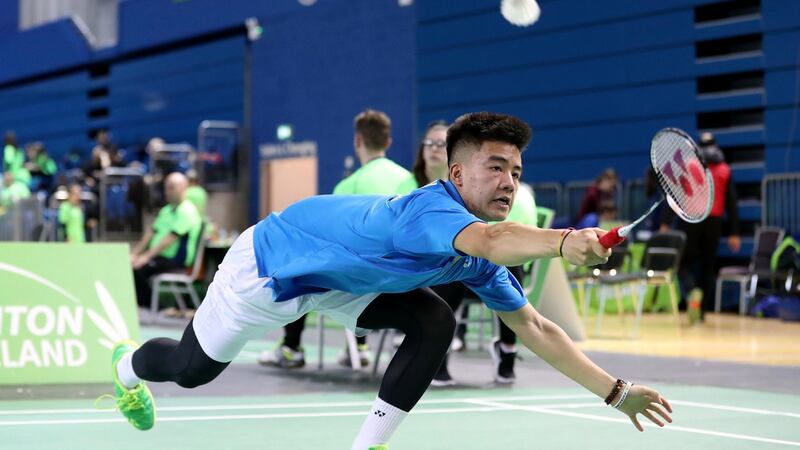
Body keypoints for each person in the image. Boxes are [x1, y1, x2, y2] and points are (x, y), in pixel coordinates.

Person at [106, 112, 672, 449]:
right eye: (495, 166)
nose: (508, 180)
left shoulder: (478, 247)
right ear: (456, 173)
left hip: (341, 280)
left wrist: (616, 393)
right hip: (271, 264)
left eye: (516, 172)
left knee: (433, 317)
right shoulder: (432, 214)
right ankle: (127, 366)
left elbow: (534, 325)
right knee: (192, 370)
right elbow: (494, 241)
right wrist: (563, 240)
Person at [259, 109, 411, 369]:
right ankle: (360, 347)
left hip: (362, 279)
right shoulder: (409, 180)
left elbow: (334, 239)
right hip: (405, 276)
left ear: (357, 142)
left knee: (301, 272)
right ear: (388, 143)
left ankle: (290, 348)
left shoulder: (346, 187)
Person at [398, 120, 537, 386]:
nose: (436, 148)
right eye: (431, 143)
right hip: (425, 274)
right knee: (452, 264)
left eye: (442, 143)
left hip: (480, 269)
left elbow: (503, 238)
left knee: (508, 264)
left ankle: (507, 350)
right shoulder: (411, 189)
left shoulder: (496, 192)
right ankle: (438, 351)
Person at [661, 131, 740, 320]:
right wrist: (734, 233)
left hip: (691, 219)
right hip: (714, 221)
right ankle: (701, 311)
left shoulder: (688, 165)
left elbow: (675, 195)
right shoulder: (724, 170)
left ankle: (691, 290)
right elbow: (732, 202)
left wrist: (665, 221)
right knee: (707, 266)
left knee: (682, 262)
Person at [129, 172, 203, 307]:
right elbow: (150, 233)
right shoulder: (166, 210)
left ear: (182, 188)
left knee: (139, 269)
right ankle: (149, 305)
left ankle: (151, 306)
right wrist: (135, 254)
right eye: (166, 187)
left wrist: (145, 257)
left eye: (171, 187)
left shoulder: (187, 211)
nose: (166, 192)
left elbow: (169, 239)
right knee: (131, 265)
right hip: (159, 258)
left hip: (175, 260)